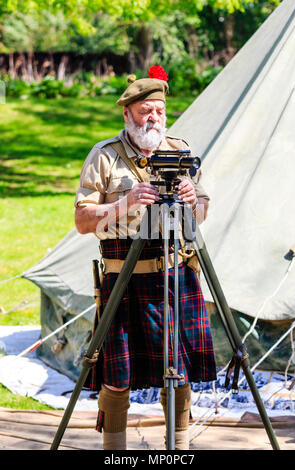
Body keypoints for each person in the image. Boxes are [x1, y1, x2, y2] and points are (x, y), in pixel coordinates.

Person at [74, 66, 216, 450]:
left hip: (174, 275)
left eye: (157, 110)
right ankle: (115, 452)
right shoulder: (104, 157)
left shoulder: (179, 150)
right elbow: (82, 220)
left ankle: (179, 450)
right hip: (124, 278)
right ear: (127, 113)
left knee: (179, 369)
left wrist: (193, 200)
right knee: (116, 374)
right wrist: (123, 203)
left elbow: (202, 211)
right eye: (143, 111)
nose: (152, 117)